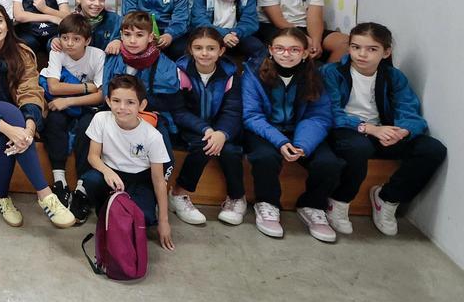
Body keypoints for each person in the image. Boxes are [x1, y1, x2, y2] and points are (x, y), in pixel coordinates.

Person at [0, 4, 75, 229]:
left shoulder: (22, 52)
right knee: (8, 116)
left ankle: (1, 197)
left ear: (8, 26)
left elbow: (31, 91)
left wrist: (28, 128)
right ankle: (45, 195)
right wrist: (9, 128)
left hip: (15, 125)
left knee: (6, 126)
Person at [322, 23, 446, 236]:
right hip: (347, 130)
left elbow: (410, 111)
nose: (362, 54)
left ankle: (387, 199)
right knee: (358, 148)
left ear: (386, 52)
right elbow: (332, 113)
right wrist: (368, 128)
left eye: (372, 49)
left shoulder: (393, 76)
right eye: (356, 47)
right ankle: (340, 201)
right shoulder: (332, 72)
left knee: (432, 149)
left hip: (383, 131)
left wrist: (403, 131)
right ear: (349, 48)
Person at [242, 28, 341, 243]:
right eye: (280, 48)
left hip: (302, 131)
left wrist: (302, 144)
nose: (286, 54)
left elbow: (320, 116)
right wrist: (280, 141)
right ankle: (267, 204)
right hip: (265, 128)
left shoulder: (316, 74)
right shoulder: (253, 72)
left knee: (328, 162)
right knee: (264, 157)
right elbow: (251, 115)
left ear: (305, 53)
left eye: (294, 49)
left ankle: (312, 205)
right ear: (270, 50)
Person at [82, 75, 175, 251]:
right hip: (112, 175)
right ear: (108, 101)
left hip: (141, 180)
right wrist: (107, 171)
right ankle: (106, 212)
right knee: (91, 180)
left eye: (130, 102)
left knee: (144, 219)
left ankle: (129, 212)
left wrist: (164, 222)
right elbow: (93, 156)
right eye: (116, 100)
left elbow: (158, 180)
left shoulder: (153, 136)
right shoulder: (101, 119)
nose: (122, 108)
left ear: (142, 105)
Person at [169, 27, 247, 227]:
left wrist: (222, 132)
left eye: (211, 48)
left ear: (221, 51)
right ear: (190, 49)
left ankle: (237, 197)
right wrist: (205, 129)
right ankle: (179, 192)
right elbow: (178, 111)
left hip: (221, 126)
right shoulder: (179, 72)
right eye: (199, 48)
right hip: (191, 126)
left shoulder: (230, 75)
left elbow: (233, 110)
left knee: (230, 150)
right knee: (203, 146)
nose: (204, 53)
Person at [39, 14, 105, 220]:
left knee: (90, 127)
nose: (69, 43)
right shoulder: (57, 52)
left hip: (83, 107)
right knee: (54, 120)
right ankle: (59, 180)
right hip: (64, 103)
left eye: (76, 39)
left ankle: (82, 190)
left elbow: (101, 96)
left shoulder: (97, 55)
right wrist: (88, 87)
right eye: (65, 37)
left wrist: (68, 100)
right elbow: (53, 87)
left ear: (87, 40)